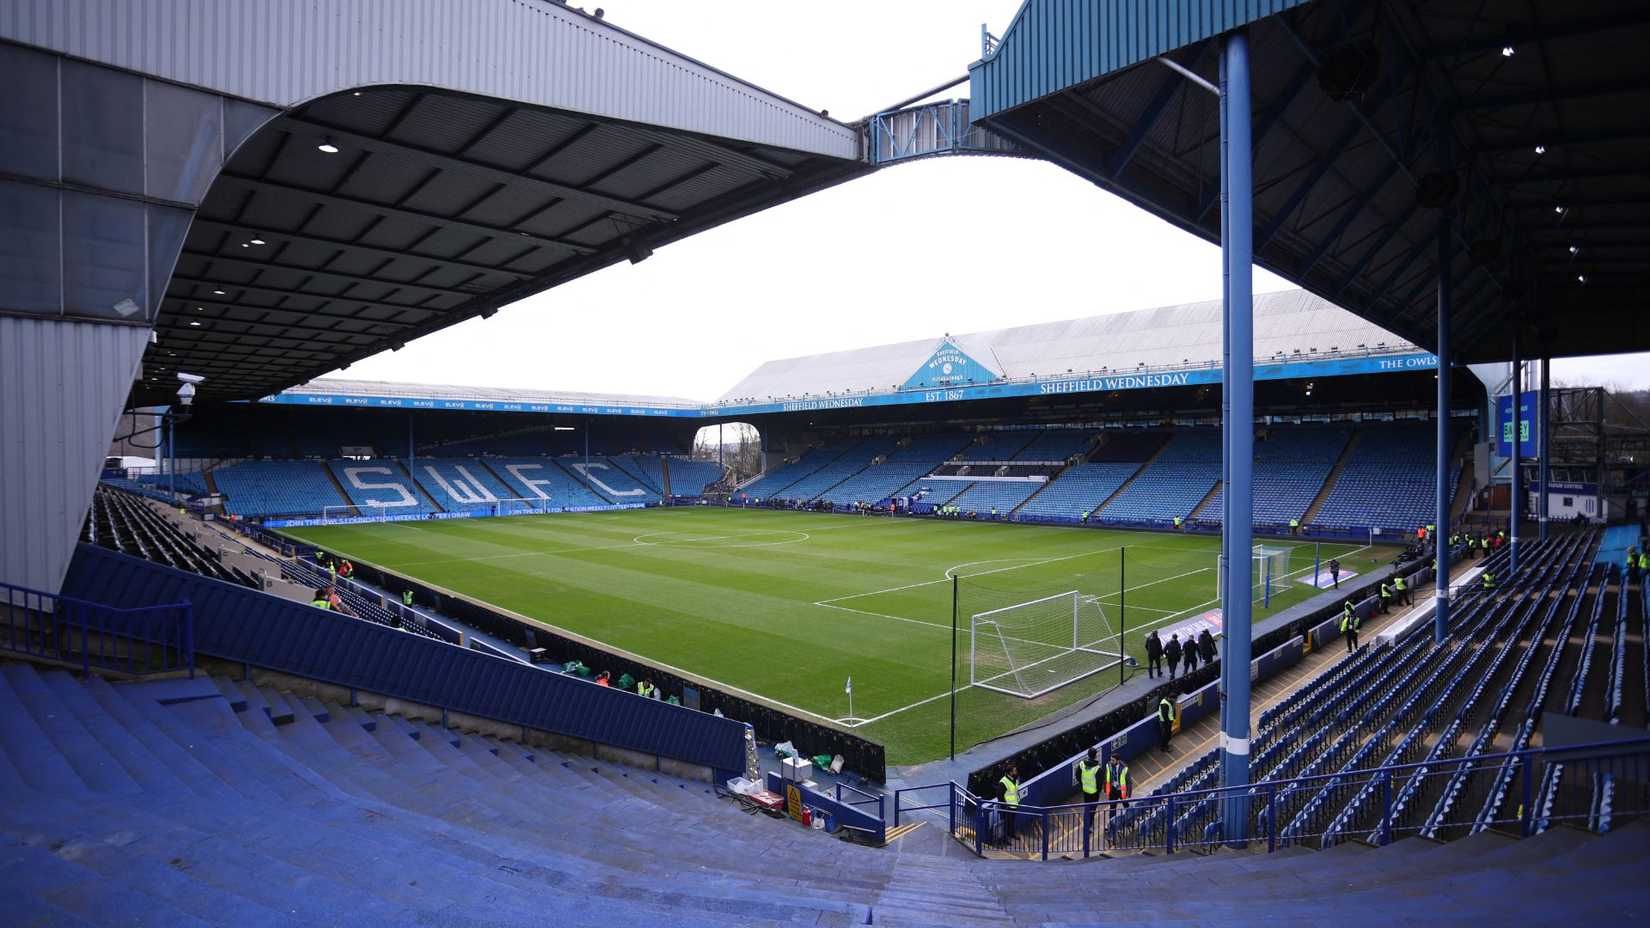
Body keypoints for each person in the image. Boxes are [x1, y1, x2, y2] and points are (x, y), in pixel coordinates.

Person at [1075, 748, 1102, 837]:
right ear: (1095, 755)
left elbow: (1077, 775)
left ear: (1088, 755)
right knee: (1092, 810)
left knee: (1087, 808)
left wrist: (1082, 783)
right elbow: (1099, 782)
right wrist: (1098, 791)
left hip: (1085, 790)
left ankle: (1087, 824)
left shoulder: (1082, 764)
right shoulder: (1097, 768)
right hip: (1094, 792)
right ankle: (1089, 826)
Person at [998, 764, 1022, 841]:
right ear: (1010, 772)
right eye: (1015, 771)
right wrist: (1005, 805)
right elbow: (1000, 796)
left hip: (1014, 805)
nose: (1016, 772)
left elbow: (1015, 791)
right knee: (1006, 823)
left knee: (1012, 822)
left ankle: (1012, 834)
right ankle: (1005, 839)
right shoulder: (1003, 782)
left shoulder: (1015, 779)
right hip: (1007, 807)